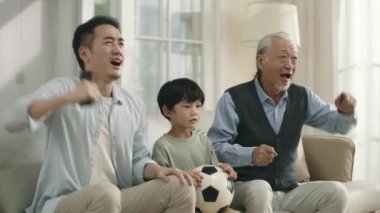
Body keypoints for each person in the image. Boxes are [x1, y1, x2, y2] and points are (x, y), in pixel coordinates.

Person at [3, 16, 196, 213]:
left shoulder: (133, 103)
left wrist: (156, 170)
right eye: (108, 42)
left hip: (117, 199)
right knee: (106, 194)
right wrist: (68, 98)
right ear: (84, 53)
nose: (118, 49)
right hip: (65, 202)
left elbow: (138, 158)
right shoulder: (63, 88)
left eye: (120, 42)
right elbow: (12, 119)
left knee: (181, 186)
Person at [207, 32, 357, 213]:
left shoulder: (302, 96)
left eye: (294, 59)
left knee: (337, 192)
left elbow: (339, 125)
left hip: (288, 191)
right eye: (283, 57)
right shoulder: (233, 98)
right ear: (261, 61)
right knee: (260, 189)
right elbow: (215, 147)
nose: (290, 65)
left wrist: (346, 112)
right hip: (245, 188)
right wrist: (251, 155)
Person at [152, 78, 237, 211]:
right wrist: (184, 176)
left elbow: (214, 168)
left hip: (212, 205)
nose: (195, 111)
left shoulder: (205, 141)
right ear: (167, 111)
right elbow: (163, 186)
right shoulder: (162, 146)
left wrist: (224, 169)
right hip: (184, 206)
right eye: (187, 106)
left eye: (198, 106)